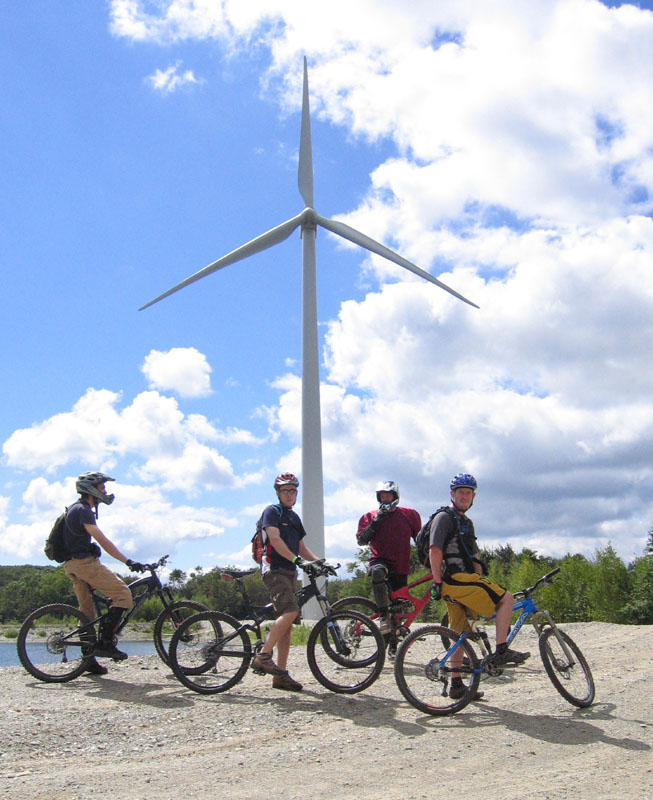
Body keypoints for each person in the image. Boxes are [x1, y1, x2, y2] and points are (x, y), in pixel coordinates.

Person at [428, 473, 530, 701]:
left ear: (474, 496)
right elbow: (434, 549)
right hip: (455, 579)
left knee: (460, 633)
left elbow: (475, 557)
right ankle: (502, 650)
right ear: (452, 494)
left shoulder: (465, 523)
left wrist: (479, 578)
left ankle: (456, 684)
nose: (464, 496)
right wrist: (436, 581)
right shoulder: (444, 518)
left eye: (468, 492)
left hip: (461, 582)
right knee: (507, 599)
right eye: (460, 492)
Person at [63, 472, 146, 674]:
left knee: (87, 615)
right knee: (123, 594)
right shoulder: (83, 510)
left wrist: (89, 548)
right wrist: (128, 561)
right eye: (102, 488)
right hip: (85, 565)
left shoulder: (75, 509)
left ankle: (88, 660)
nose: (105, 491)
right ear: (91, 489)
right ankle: (105, 643)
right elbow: (103, 540)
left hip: (72, 565)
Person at [250, 472, 320, 692]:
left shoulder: (294, 517)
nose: (290, 494)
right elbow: (275, 540)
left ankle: (280, 675)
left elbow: (301, 547)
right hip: (274, 568)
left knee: (287, 625)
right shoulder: (272, 512)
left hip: (289, 571)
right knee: (290, 611)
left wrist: (320, 562)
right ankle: (263, 656)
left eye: (293, 490)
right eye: (285, 490)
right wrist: (297, 560)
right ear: (278, 493)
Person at [356, 481, 422, 634]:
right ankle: (383, 615)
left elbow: (418, 539)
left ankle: (393, 644)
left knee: (399, 610)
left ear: (395, 496)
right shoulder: (370, 516)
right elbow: (362, 540)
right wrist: (376, 520)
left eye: (388, 496)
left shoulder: (409, 514)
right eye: (382, 496)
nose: (385, 499)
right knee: (378, 572)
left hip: (400, 565)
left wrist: (428, 558)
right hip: (380, 560)